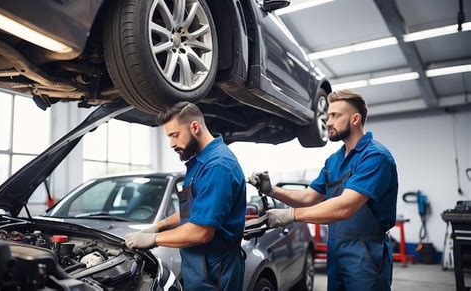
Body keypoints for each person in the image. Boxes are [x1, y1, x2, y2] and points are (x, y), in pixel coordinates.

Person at [249, 89, 398, 291]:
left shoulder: (375, 157)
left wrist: (290, 215)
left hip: (365, 251)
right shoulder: (333, 160)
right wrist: (272, 190)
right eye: (328, 115)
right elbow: (308, 197)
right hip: (336, 246)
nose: (328, 122)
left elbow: (345, 207)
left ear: (355, 119)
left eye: (335, 115)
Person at [125, 101, 246, 291]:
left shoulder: (217, 166)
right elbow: (193, 212)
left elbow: (201, 231)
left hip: (216, 271)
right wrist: (158, 226)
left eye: (174, 135)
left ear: (195, 127)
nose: (172, 144)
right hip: (199, 267)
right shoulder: (200, 162)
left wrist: (154, 240)